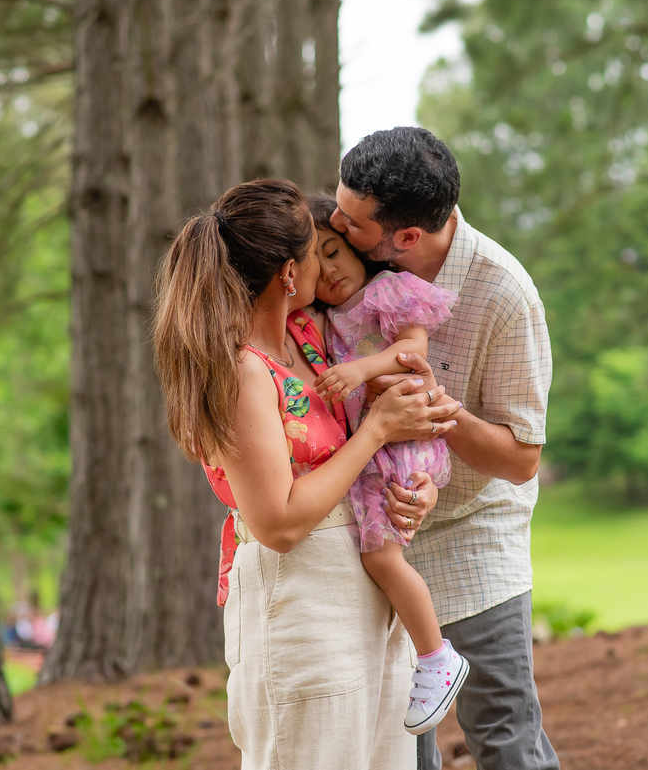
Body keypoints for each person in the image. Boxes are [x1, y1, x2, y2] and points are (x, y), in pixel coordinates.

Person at [152, 178, 461, 769]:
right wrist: (377, 432)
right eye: (314, 252)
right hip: (302, 605)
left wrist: (413, 487)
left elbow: (367, 434)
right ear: (288, 275)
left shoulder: (309, 340)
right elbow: (279, 523)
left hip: (365, 593)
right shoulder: (242, 371)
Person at [329, 127, 558, 770]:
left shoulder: (504, 294)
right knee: (401, 745)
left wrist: (433, 410)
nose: (334, 224)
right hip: (376, 531)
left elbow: (519, 461)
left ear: (406, 237)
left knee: (503, 732)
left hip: (472, 528)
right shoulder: (353, 261)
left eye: (351, 220)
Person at [305, 193, 470, 735]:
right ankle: (420, 656)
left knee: (381, 558)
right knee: (378, 557)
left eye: (334, 250)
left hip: (402, 442)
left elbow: (413, 351)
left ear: (358, 248)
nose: (328, 270)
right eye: (313, 261)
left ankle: (436, 657)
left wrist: (360, 372)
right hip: (377, 446)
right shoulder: (325, 321)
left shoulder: (387, 290)